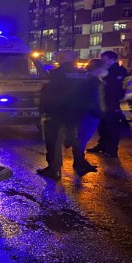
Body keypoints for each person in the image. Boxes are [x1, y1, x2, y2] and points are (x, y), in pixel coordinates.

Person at [37, 50, 95, 180]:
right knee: (75, 138)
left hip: (57, 113)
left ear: (61, 58)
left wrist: (43, 110)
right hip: (77, 113)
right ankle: (80, 162)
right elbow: (89, 94)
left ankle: (54, 169)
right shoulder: (83, 74)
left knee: (54, 141)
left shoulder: (55, 74)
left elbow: (47, 94)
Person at [87, 51, 128, 158]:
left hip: (112, 103)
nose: (101, 61)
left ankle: (112, 150)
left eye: (103, 59)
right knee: (103, 126)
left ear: (110, 60)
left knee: (112, 127)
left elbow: (115, 87)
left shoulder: (117, 71)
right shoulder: (107, 71)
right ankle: (102, 146)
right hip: (104, 102)